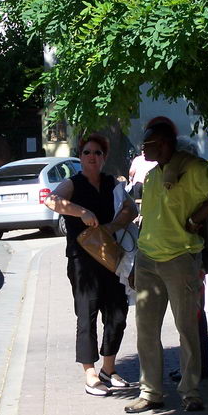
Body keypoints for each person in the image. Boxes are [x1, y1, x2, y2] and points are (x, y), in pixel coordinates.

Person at [124, 118, 208, 414]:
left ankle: (190, 391)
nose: (143, 149)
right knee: (146, 330)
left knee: (186, 328)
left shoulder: (192, 168)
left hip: (180, 259)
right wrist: (135, 265)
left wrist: (198, 218)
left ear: (164, 143)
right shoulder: (153, 176)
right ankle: (151, 393)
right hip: (148, 259)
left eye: (147, 144)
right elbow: (149, 220)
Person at [45, 133, 139, 397]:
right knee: (87, 314)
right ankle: (90, 374)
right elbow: (52, 200)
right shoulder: (72, 184)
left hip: (112, 258)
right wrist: (81, 212)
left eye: (97, 153)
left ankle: (109, 368)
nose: (92, 157)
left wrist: (113, 226)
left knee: (118, 312)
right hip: (82, 261)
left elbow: (131, 209)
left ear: (104, 157)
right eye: (87, 152)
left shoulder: (112, 183)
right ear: (80, 156)